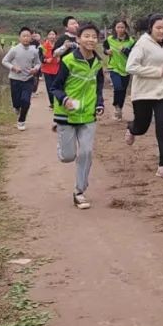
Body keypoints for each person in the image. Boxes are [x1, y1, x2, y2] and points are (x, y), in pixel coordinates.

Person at [49, 22, 105, 209]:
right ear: (79, 39)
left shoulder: (97, 63)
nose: (91, 40)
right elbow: (55, 87)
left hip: (87, 115)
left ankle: (79, 191)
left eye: (94, 37)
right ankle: (61, 139)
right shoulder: (68, 61)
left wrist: (99, 103)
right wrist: (65, 100)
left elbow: (98, 87)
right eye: (87, 36)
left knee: (86, 152)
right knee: (67, 156)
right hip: (67, 114)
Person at [124, 14, 163, 180]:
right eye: (158, 28)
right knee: (142, 127)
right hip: (144, 92)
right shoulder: (142, 44)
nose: (162, 31)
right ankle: (132, 128)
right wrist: (155, 72)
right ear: (150, 28)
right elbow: (130, 67)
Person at [1, 26, 42, 131]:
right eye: (24, 36)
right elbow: (4, 61)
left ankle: (21, 121)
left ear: (31, 38)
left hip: (28, 79)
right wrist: (13, 67)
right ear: (19, 38)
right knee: (16, 102)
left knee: (26, 101)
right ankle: (16, 107)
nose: (26, 38)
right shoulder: (14, 50)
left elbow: (38, 63)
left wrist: (35, 69)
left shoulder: (34, 51)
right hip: (15, 79)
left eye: (28, 36)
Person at [104, 19, 135, 121]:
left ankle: (119, 108)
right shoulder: (109, 39)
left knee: (123, 90)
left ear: (125, 28)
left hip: (126, 68)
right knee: (117, 87)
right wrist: (106, 51)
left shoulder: (130, 41)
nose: (120, 29)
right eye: (118, 27)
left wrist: (125, 50)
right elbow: (104, 49)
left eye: (122, 27)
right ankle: (116, 107)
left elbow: (134, 55)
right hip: (114, 67)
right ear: (115, 28)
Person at [40, 29, 61, 115]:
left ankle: (58, 102)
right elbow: (40, 57)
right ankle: (52, 103)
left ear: (56, 36)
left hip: (57, 68)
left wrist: (60, 58)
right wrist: (45, 60)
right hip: (47, 69)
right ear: (47, 36)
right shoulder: (43, 46)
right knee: (49, 87)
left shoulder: (59, 45)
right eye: (50, 34)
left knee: (57, 86)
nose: (52, 36)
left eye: (53, 34)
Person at [30, 31, 43, 96]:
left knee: (35, 78)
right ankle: (30, 91)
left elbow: (41, 54)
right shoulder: (27, 43)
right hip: (29, 64)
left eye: (35, 36)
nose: (34, 37)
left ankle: (33, 91)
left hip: (36, 64)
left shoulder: (38, 45)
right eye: (33, 35)